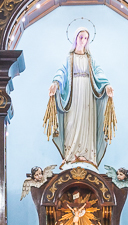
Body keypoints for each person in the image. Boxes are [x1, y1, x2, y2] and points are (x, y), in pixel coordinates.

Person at [45, 27, 115, 166]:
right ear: (75, 38)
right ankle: (71, 156)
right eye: (81, 37)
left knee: (87, 122)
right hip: (73, 93)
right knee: (71, 122)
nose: (83, 40)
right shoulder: (69, 58)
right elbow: (62, 72)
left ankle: (88, 156)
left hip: (88, 93)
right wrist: (55, 83)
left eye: (86, 38)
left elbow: (99, 73)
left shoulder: (90, 59)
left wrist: (107, 85)